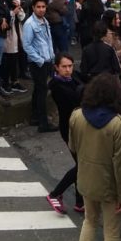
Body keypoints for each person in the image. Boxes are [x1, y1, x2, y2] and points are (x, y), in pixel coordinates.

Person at [69, 73, 121, 241]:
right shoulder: (117, 123)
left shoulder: (77, 115)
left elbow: (73, 146)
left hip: (86, 178)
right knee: (111, 233)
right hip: (110, 184)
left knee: (89, 221)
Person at [46, 53, 84, 215]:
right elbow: (76, 99)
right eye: (64, 67)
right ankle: (55, 194)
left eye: (70, 66)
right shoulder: (57, 86)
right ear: (56, 67)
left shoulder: (73, 77)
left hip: (80, 127)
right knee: (82, 165)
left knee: (82, 164)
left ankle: (80, 201)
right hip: (69, 129)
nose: (68, 70)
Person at [22, 0, 56, 132]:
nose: (41, 9)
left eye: (43, 7)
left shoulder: (44, 21)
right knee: (42, 92)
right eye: (38, 7)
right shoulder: (30, 24)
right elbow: (27, 45)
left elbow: (48, 41)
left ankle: (35, 117)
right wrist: (40, 60)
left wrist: (51, 57)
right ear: (33, 8)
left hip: (47, 60)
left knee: (38, 90)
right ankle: (43, 123)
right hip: (38, 63)